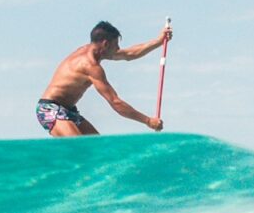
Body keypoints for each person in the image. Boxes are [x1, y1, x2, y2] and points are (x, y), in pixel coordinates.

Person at [35, 21, 170, 137]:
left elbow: (129, 54)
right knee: (79, 148)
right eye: (116, 45)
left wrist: (159, 41)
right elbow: (115, 103)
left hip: (69, 111)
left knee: (98, 148)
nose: (118, 49)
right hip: (49, 109)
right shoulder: (90, 66)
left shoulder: (92, 51)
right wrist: (148, 121)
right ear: (105, 44)